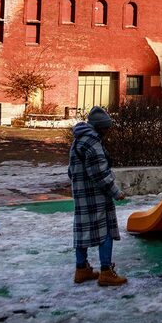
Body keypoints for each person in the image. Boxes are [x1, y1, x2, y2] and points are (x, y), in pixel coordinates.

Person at [69, 106, 127, 286]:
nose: (109, 132)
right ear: (100, 127)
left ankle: (81, 269)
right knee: (106, 231)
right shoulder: (93, 142)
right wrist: (116, 192)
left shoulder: (78, 140)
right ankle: (106, 271)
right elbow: (100, 173)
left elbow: (71, 171)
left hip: (81, 194)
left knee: (81, 230)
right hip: (96, 196)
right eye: (107, 128)